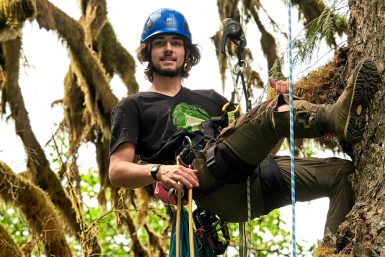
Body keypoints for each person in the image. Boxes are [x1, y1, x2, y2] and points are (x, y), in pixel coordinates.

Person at [108, 8, 380, 235]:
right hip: (208, 182)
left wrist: (283, 107)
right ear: (148, 51)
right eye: (160, 43)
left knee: (343, 176)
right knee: (271, 111)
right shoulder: (133, 106)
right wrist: (160, 171)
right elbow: (117, 170)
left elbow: (263, 149)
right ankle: (335, 118)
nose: (168, 49)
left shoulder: (212, 98)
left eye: (175, 43)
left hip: (258, 181)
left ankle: (336, 250)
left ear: (186, 51)